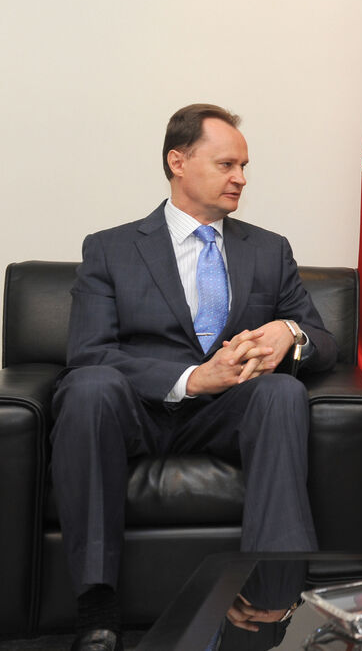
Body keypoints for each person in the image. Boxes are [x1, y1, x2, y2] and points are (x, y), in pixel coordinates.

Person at [50, 104, 337, 651]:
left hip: (228, 413)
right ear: (177, 162)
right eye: (227, 164)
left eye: (244, 166)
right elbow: (89, 352)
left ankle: (275, 594)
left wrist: (289, 332)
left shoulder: (268, 249)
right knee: (87, 387)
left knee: (281, 391)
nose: (241, 178)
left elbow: (325, 341)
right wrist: (191, 378)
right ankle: (97, 607)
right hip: (136, 410)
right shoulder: (110, 249)